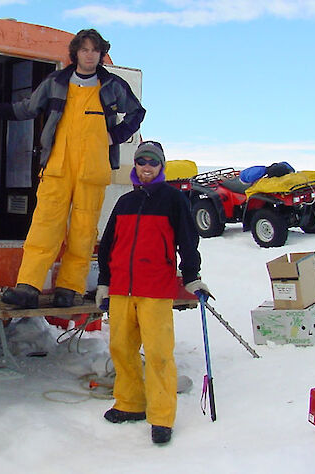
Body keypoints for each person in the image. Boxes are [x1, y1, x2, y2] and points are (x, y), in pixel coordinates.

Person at [0, 29, 145, 309]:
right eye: (84, 49)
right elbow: (28, 108)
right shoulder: (56, 81)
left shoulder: (111, 85)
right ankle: (28, 286)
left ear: (100, 54)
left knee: (84, 231)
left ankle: (69, 289)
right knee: (44, 226)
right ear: (76, 53)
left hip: (94, 168)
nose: (89, 55)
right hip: (58, 166)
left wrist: (113, 136)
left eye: (95, 50)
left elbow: (137, 113)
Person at [95, 140, 210, 445]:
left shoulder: (173, 199)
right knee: (121, 348)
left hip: (155, 290)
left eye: (152, 163)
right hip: (121, 288)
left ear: (161, 167)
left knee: (158, 354)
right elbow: (107, 245)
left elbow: (188, 239)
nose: (146, 168)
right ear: (135, 165)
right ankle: (130, 404)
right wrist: (104, 282)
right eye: (142, 162)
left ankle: (161, 417)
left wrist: (191, 276)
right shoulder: (125, 203)